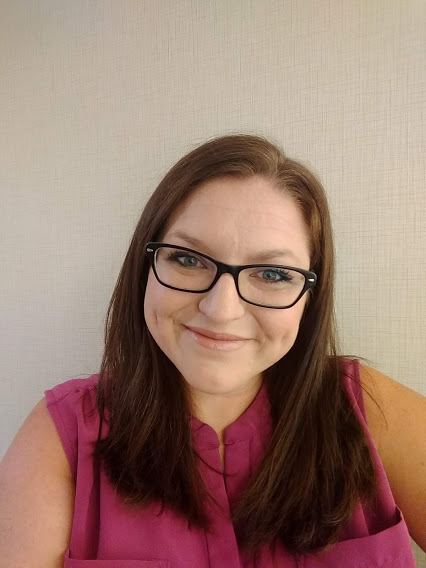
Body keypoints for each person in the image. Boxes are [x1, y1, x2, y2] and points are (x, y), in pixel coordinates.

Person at [0, 134, 424, 567]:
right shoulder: (62, 434)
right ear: (145, 268)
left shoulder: (368, 409)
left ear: (309, 298)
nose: (221, 310)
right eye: (187, 260)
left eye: (273, 273)